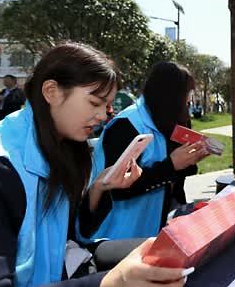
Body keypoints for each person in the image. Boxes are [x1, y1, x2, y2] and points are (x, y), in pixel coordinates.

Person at [0, 43, 187, 287]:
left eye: (107, 105)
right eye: (95, 103)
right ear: (51, 91)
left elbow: (69, 240)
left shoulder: (60, 148)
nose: (102, 116)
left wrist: (99, 187)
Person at [85, 62, 209, 241]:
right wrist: (172, 164)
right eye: (185, 94)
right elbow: (117, 188)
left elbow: (175, 179)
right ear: (169, 94)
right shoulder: (126, 124)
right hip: (115, 237)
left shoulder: (170, 120)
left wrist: (191, 158)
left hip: (153, 230)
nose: (188, 100)